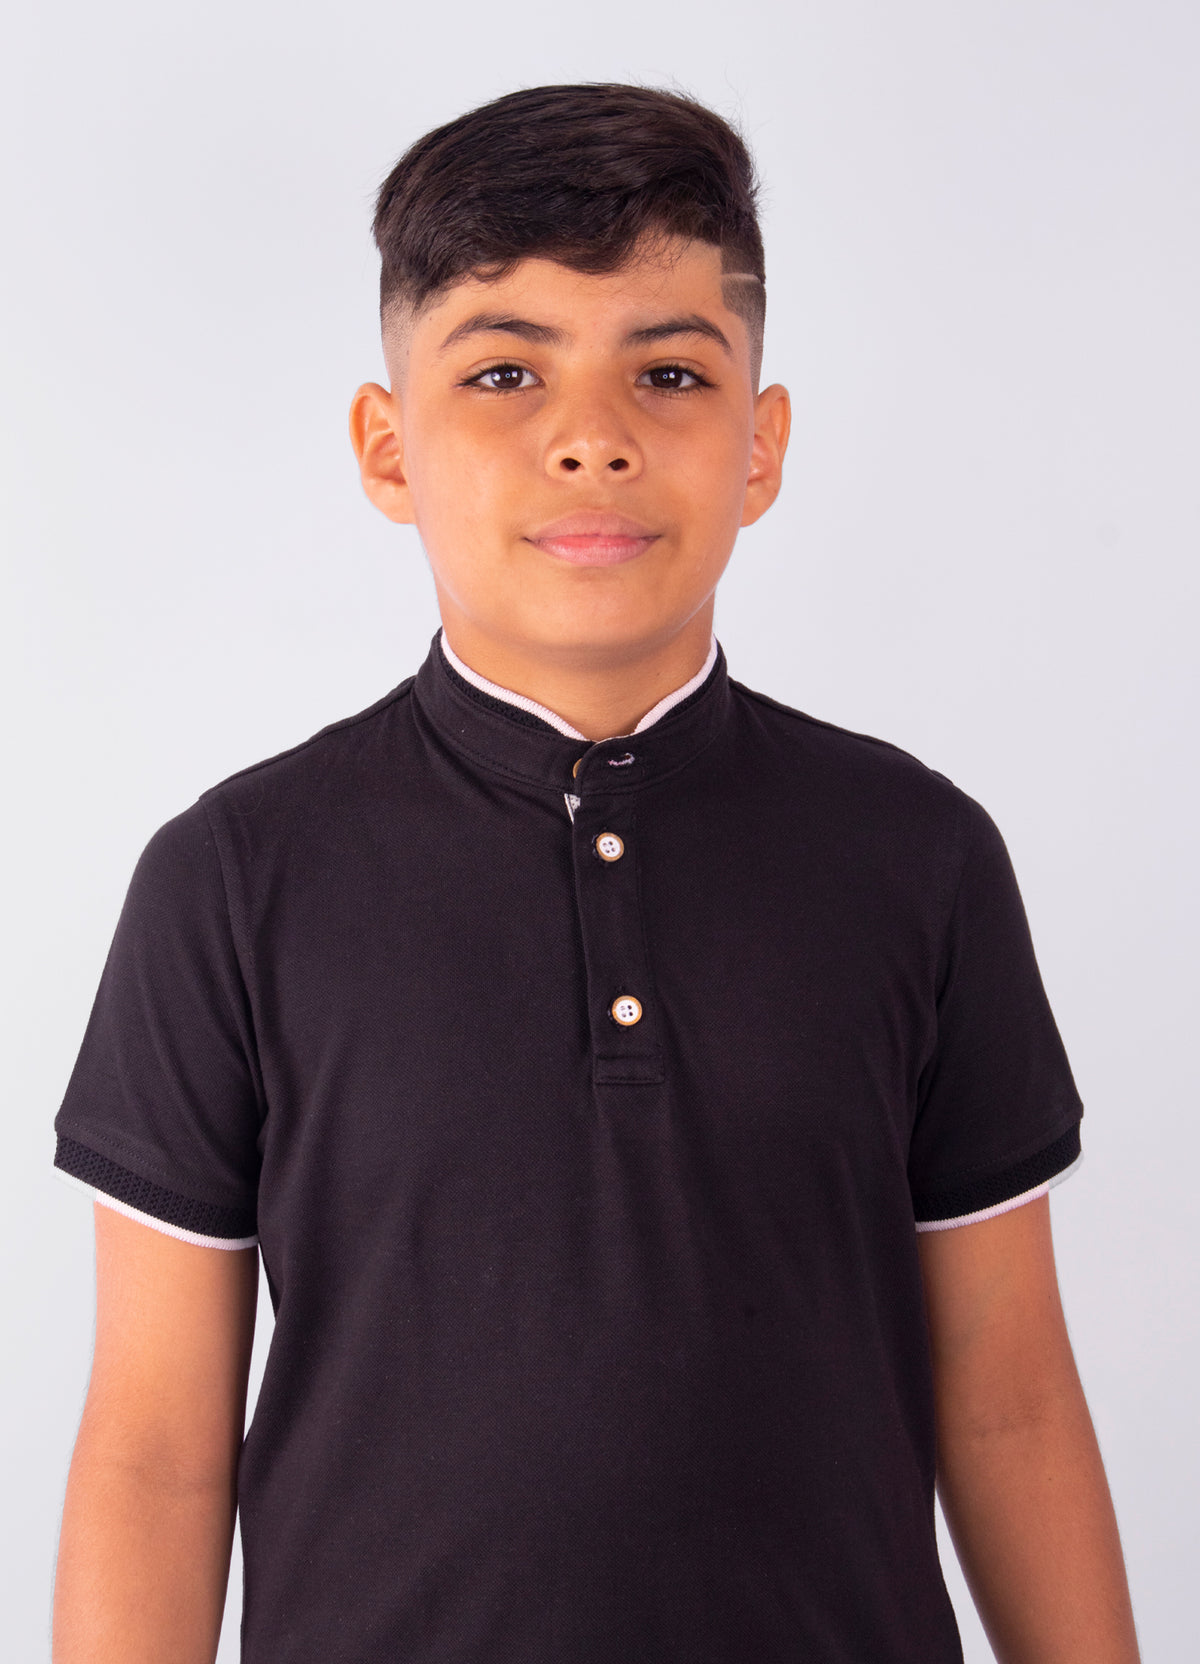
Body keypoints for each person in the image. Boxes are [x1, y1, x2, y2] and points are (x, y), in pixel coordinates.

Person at [50, 82, 1140, 1663]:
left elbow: (1014, 1399)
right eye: (505, 370)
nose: (593, 435)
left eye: (670, 372)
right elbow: (154, 1452)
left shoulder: (920, 856)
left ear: (761, 446)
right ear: (388, 448)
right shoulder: (231, 881)